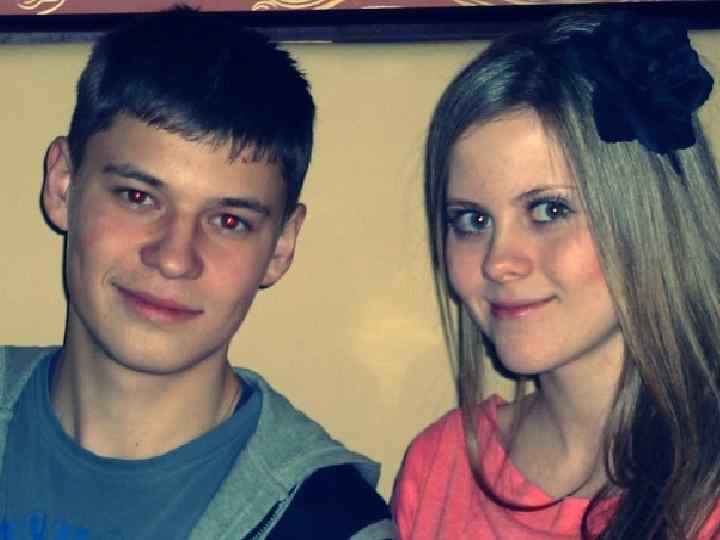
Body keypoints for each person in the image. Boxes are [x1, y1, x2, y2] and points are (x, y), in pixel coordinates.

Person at [0, 7, 397, 540]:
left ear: (281, 245)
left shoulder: (333, 524)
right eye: (137, 197)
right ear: (63, 185)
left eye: (229, 221)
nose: (174, 258)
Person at [392, 10, 719, 540]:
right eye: (472, 220)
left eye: (549, 210)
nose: (498, 261)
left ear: (651, 219)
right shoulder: (440, 465)